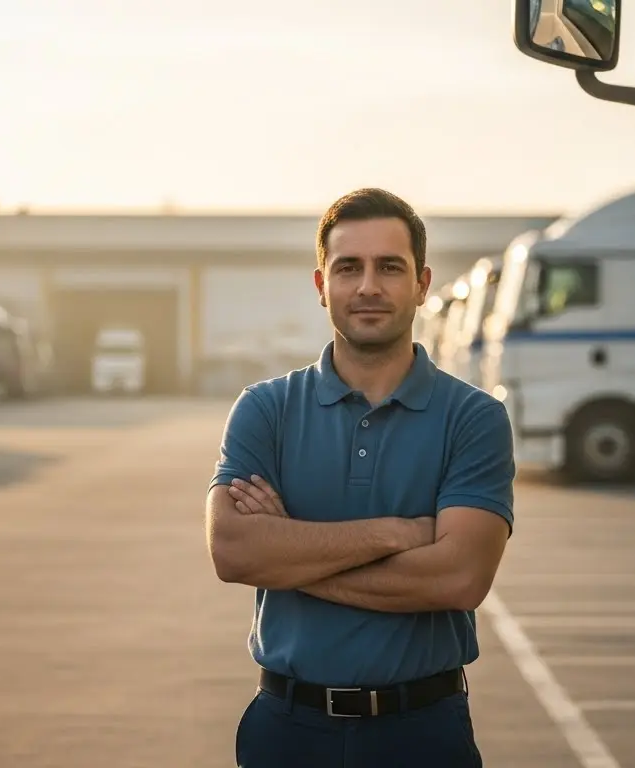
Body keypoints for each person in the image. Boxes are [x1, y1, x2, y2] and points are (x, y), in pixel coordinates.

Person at [204, 187, 516, 768]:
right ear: (322, 284)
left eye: (389, 268)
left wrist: (291, 553)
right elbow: (233, 551)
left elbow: (459, 578)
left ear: (422, 284)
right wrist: (396, 534)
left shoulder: (474, 418)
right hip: (286, 732)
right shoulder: (265, 409)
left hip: (423, 734)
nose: (368, 286)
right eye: (349, 268)